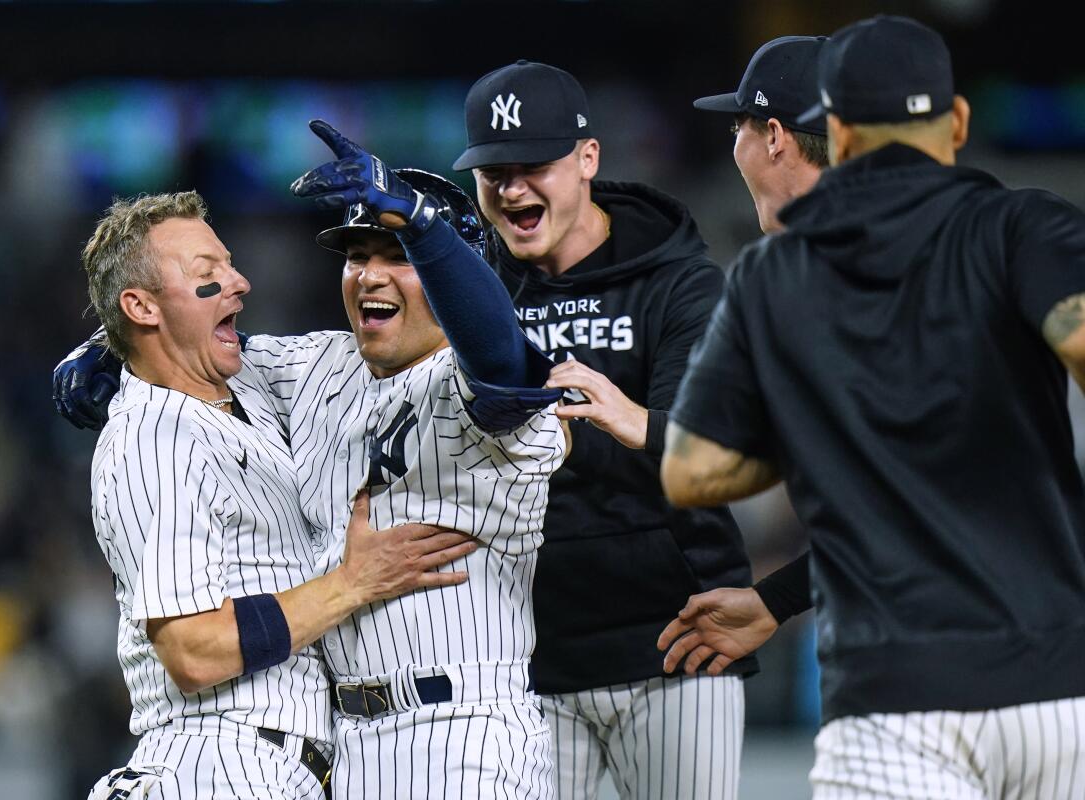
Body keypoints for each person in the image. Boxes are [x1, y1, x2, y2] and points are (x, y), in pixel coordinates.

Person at [55, 123, 567, 799]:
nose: (371, 274)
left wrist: (426, 228)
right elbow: (186, 353)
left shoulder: (488, 388)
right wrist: (111, 342)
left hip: (463, 728)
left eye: (399, 253)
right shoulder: (315, 366)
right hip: (338, 748)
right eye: (358, 253)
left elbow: (500, 356)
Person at [661, 14, 1085, 798]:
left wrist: (842, 426)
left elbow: (694, 471)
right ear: (955, 122)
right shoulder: (1023, 227)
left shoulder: (779, 276)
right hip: (1059, 694)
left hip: (897, 700)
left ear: (838, 132)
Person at [453, 59, 752, 799]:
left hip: (676, 648)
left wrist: (632, 419)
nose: (512, 187)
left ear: (588, 159)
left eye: (533, 166)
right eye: (494, 171)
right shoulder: (470, 293)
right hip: (524, 658)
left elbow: (718, 452)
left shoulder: (680, 283)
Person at [660, 35, 830, 677]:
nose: (735, 145)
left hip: (918, 674)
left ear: (776, 137)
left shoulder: (814, 282)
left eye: (739, 126)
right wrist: (777, 599)